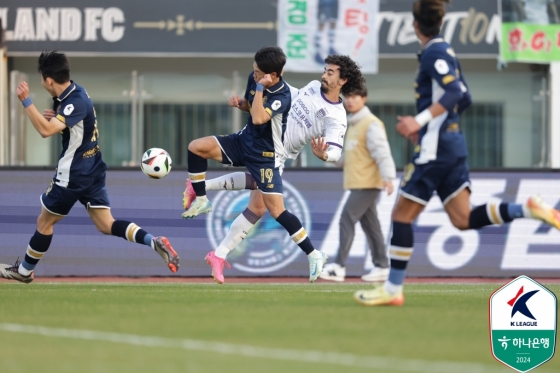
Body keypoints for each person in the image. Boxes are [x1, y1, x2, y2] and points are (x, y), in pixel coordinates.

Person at [353, 0, 560, 306]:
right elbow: (465, 98)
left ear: (415, 25)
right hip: (451, 144)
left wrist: (420, 122)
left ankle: (393, 289)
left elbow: (456, 93)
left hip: (437, 149)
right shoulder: (444, 50)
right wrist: (432, 126)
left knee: (401, 216)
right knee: (462, 218)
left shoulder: (434, 52)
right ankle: (528, 209)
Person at [182, 54, 365, 284]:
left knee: (264, 208)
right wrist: (266, 82)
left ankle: (205, 204)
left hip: (276, 154)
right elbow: (286, 96)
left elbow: (336, 151)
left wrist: (325, 154)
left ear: (343, 80)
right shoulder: (312, 87)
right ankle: (219, 252)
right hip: (261, 143)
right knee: (262, 207)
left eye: (330, 72)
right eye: (325, 70)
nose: (323, 75)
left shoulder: (337, 117)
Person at [0, 51, 179, 284]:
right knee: (106, 224)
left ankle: (23, 271)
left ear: (48, 80)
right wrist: (59, 118)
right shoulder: (77, 93)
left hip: (73, 173)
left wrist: (26, 101)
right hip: (92, 168)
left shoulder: (73, 102)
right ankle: (153, 241)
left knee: (44, 223)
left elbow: (45, 131)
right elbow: (76, 123)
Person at [319, 86, 396, 283]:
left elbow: (382, 152)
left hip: (367, 184)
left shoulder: (371, 124)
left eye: (355, 97)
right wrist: (326, 154)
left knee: (346, 219)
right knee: (372, 226)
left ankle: (339, 267)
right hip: (359, 183)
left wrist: (388, 177)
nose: (350, 100)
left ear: (364, 99)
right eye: (348, 97)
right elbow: (348, 157)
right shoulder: (353, 125)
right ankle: (382, 266)